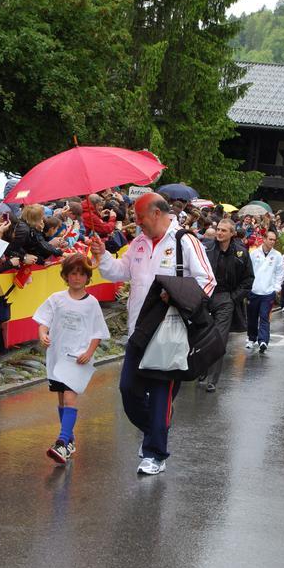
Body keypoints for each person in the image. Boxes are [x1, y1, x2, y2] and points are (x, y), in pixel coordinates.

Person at [91, 192, 216, 476]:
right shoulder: (139, 242)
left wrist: (177, 295)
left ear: (156, 213)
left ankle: (155, 453)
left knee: (160, 395)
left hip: (169, 333)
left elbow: (208, 281)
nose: (137, 223)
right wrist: (102, 255)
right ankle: (154, 432)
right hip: (139, 329)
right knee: (128, 390)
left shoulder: (185, 241)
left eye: (140, 217)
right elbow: (119, 271)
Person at [33, 253, 110, 464]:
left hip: (78, 358)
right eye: (73, 274)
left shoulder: (92, 303)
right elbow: (44, 320)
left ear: (88, 277)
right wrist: (43, 334)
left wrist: (89, 352)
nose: (77, 278)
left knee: (69, 397)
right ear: (65, 276)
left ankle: (61, 441)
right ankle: (70, 440)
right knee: (61, 399)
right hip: (57, 356)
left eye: (81, 274)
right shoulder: (56, 299)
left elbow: (97, 331)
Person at [202, 219, 254, 392]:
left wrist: (233, 298)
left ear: (232, 233)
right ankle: (202, 368)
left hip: (226, 298)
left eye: (224, 230)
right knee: (202, 335)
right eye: (218, 229)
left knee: (219, 338)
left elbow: (248, 279)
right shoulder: (206, 248)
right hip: (205, 296)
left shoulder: (241, 253)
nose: (219, 233)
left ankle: (212, 379)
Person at [246, 230, 284, 353]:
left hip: (268, 292)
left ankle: (263, 340)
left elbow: (279, 273)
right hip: (254, 291)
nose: (272, 242)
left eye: (274, 240)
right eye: (270, 239)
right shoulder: (254, 253)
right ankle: (251, 338)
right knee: (252, 317)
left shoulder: (277, 255)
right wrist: (248, 288)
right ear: (264, 239)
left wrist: (276, 288)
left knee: (264, 317)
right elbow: (248, 271)